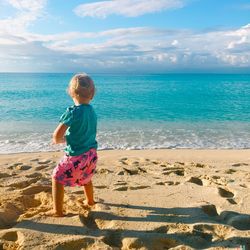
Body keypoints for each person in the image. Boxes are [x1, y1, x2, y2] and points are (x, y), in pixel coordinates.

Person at [51, 73, 98, 217]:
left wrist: (61, 140)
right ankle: (90, 201)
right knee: (86, 178)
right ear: (92, 94)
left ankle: (57, 211)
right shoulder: (91, 111)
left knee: (57, 178)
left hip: (76, 155)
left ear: (71, 92)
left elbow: (57, 136)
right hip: (91, 154)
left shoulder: (72, 112)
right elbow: (84, 131)